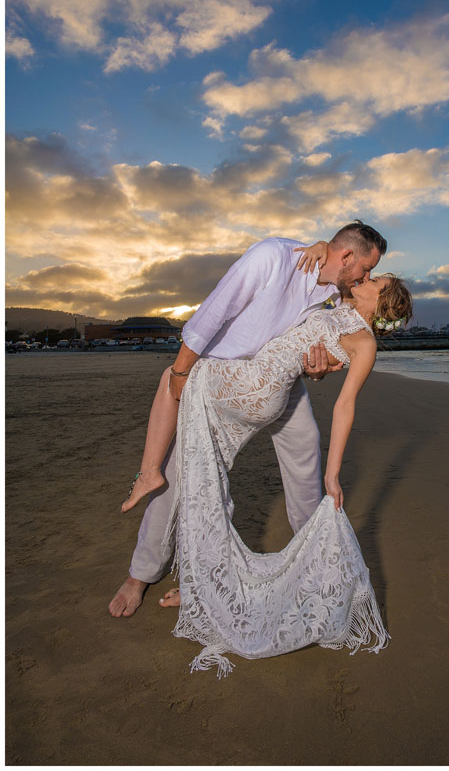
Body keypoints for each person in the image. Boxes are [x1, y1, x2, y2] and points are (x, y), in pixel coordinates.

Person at [130, 273, 413, 677]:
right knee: (201, 465)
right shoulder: (338, 304)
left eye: (375, 280)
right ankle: (202, 586)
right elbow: (321, 285)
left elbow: (345, 406)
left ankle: (149, 476)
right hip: (262, 385)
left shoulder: (364, 344)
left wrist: (332, 475)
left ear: (383, 300)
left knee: (177, 377)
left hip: (258, 386)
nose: (365, 278)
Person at [109, 221, 387, 618]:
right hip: (226, 373)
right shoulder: (273, 257)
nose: (366, 277)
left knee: (306, 453)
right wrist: (182, 372)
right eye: (366, 268)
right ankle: (142, 573)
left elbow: (329, 344)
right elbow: (212, 312)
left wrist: (317, 369)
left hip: (279, 382)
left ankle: (312, 562)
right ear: (346, 257)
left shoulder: (334, 291)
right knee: (180, 467)